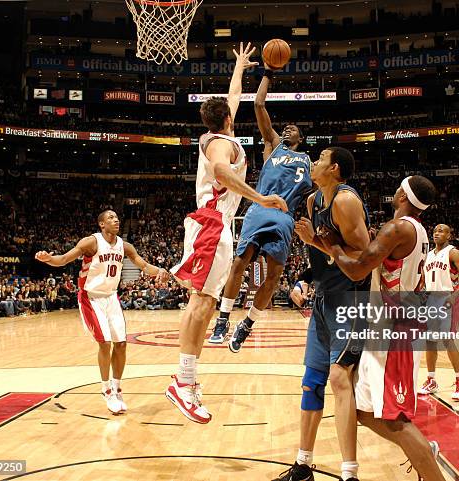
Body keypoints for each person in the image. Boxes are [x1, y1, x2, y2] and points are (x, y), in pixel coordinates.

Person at [167, 42, 288, 424]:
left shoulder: (221, 132)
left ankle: (184, 379)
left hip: (212, 225)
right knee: (201, 304)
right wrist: (260, 198)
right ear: (228, 121)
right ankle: (184, 384)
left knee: (199, 302)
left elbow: (233, 97)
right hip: (212, 224)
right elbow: (221, 171)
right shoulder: (221, 143)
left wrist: (239, 68)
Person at [318, 176, 446, 481]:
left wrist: (331, 245)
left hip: (396, 329)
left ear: (403, 194)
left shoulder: (398, 228)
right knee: (362, 411)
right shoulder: (415, 229)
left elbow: (356, 269)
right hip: (389, 326)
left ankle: (427, 462)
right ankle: (422, 449)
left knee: (396, 420)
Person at [274, 147, 370, 481]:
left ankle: (350, 474)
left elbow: (362, 258)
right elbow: (322, 256)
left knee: (340, 379)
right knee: (311, 382)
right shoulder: (315, 201)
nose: (313, 163)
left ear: (335, 169)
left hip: (350, 299)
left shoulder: (345, 201)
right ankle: (303, 465)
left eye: (320, 159)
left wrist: (314, 242)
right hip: (325, 297)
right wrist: (303, 280)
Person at [210, 62, 312, 351]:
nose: (288, 128)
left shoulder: (310, 162)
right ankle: (224, 318)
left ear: (301, 140)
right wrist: (268, 73)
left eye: (294, 128)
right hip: (259, 208)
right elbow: (258, 104)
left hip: (285, 217)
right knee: (240, 263)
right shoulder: (273, 144)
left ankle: (247, 324)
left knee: (274, 276)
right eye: (286, 127)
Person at [35, 209, 168, 415]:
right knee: (104, 343)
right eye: (110, 218)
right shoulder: (91, 242)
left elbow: (142, 265)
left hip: (111, 297)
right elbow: (63, 259)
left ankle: (117, 388)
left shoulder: (125, 246)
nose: (116, 220)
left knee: (122, 344)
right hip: (91, 298)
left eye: (116, 218)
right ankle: (106, 389)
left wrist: (158, 271)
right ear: (101, 224)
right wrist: (47, 259)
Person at [418, 224, 459, 401]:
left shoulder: (453, 252)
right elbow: (424, 279)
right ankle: (431, 379)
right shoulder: (428, 255)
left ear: (449, 235)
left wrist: (455, 295)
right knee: (430, 341)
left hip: (449, 297)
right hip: (431, 299)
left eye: (441, 231)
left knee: (448, 340)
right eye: (434, 231)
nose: (437, 233)